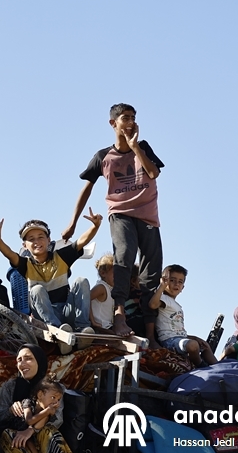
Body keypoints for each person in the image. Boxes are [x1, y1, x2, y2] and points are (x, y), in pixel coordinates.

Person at [64, 103, 164, 338]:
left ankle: (151, 333)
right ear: (113, 123)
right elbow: (87, 188)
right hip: (120, 213)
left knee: (151, 271)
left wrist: (135, 147)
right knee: (124, 253)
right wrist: (73, 222)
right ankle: (119, 314)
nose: (130, 122)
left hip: (148, 215)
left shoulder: (143, 147)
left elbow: (153, 173)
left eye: (133, 118)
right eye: (125, 118)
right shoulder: (103, 156)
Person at [0, 216, 101, 350]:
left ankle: (82, 329)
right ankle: (58, 332)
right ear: (24, 245)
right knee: (36, 289)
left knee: (81, 281)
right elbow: (9, 254)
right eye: (31, 239)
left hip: (66, 310)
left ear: (49, 240)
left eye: (40, 237)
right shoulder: (25, 264)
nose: (37, 242)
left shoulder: (60, 257)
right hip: (45, 317)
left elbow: (81, 241)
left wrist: (95, 226)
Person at [148, 264, 216, 365]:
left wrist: (193, 337)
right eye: (172, 280)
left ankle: (219, 366)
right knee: (193, 345)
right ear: (164, 281)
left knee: (203, 344)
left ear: (183, 287)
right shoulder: (163, 298)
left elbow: (177, 331)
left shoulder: (176, 305)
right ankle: (200, 365)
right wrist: (161, 287)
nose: (176, 284)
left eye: (180, 282)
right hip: (169, 340)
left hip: (180, 339)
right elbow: (152, 305)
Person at [89, 254, 115, 332]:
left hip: (107, 325)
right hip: (100, 326)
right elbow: (86, 299)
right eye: (114, 273)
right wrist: (92, 321)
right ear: (103, 273)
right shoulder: (101, 287)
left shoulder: (111, 289)